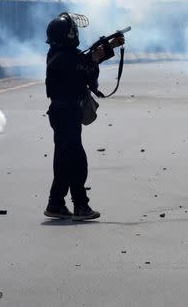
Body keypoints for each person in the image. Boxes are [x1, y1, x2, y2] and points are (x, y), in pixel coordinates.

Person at [43, 12, 125, 220]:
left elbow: (84, 60)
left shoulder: (61, 54)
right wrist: (97, 58)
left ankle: (56, 203)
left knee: (64, 161)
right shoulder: (60, 59)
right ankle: (80, 205)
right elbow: (86, 69)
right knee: (76, 161)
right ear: (66, 36)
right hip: (65, 114)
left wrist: (109, 47)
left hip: (66, 113)